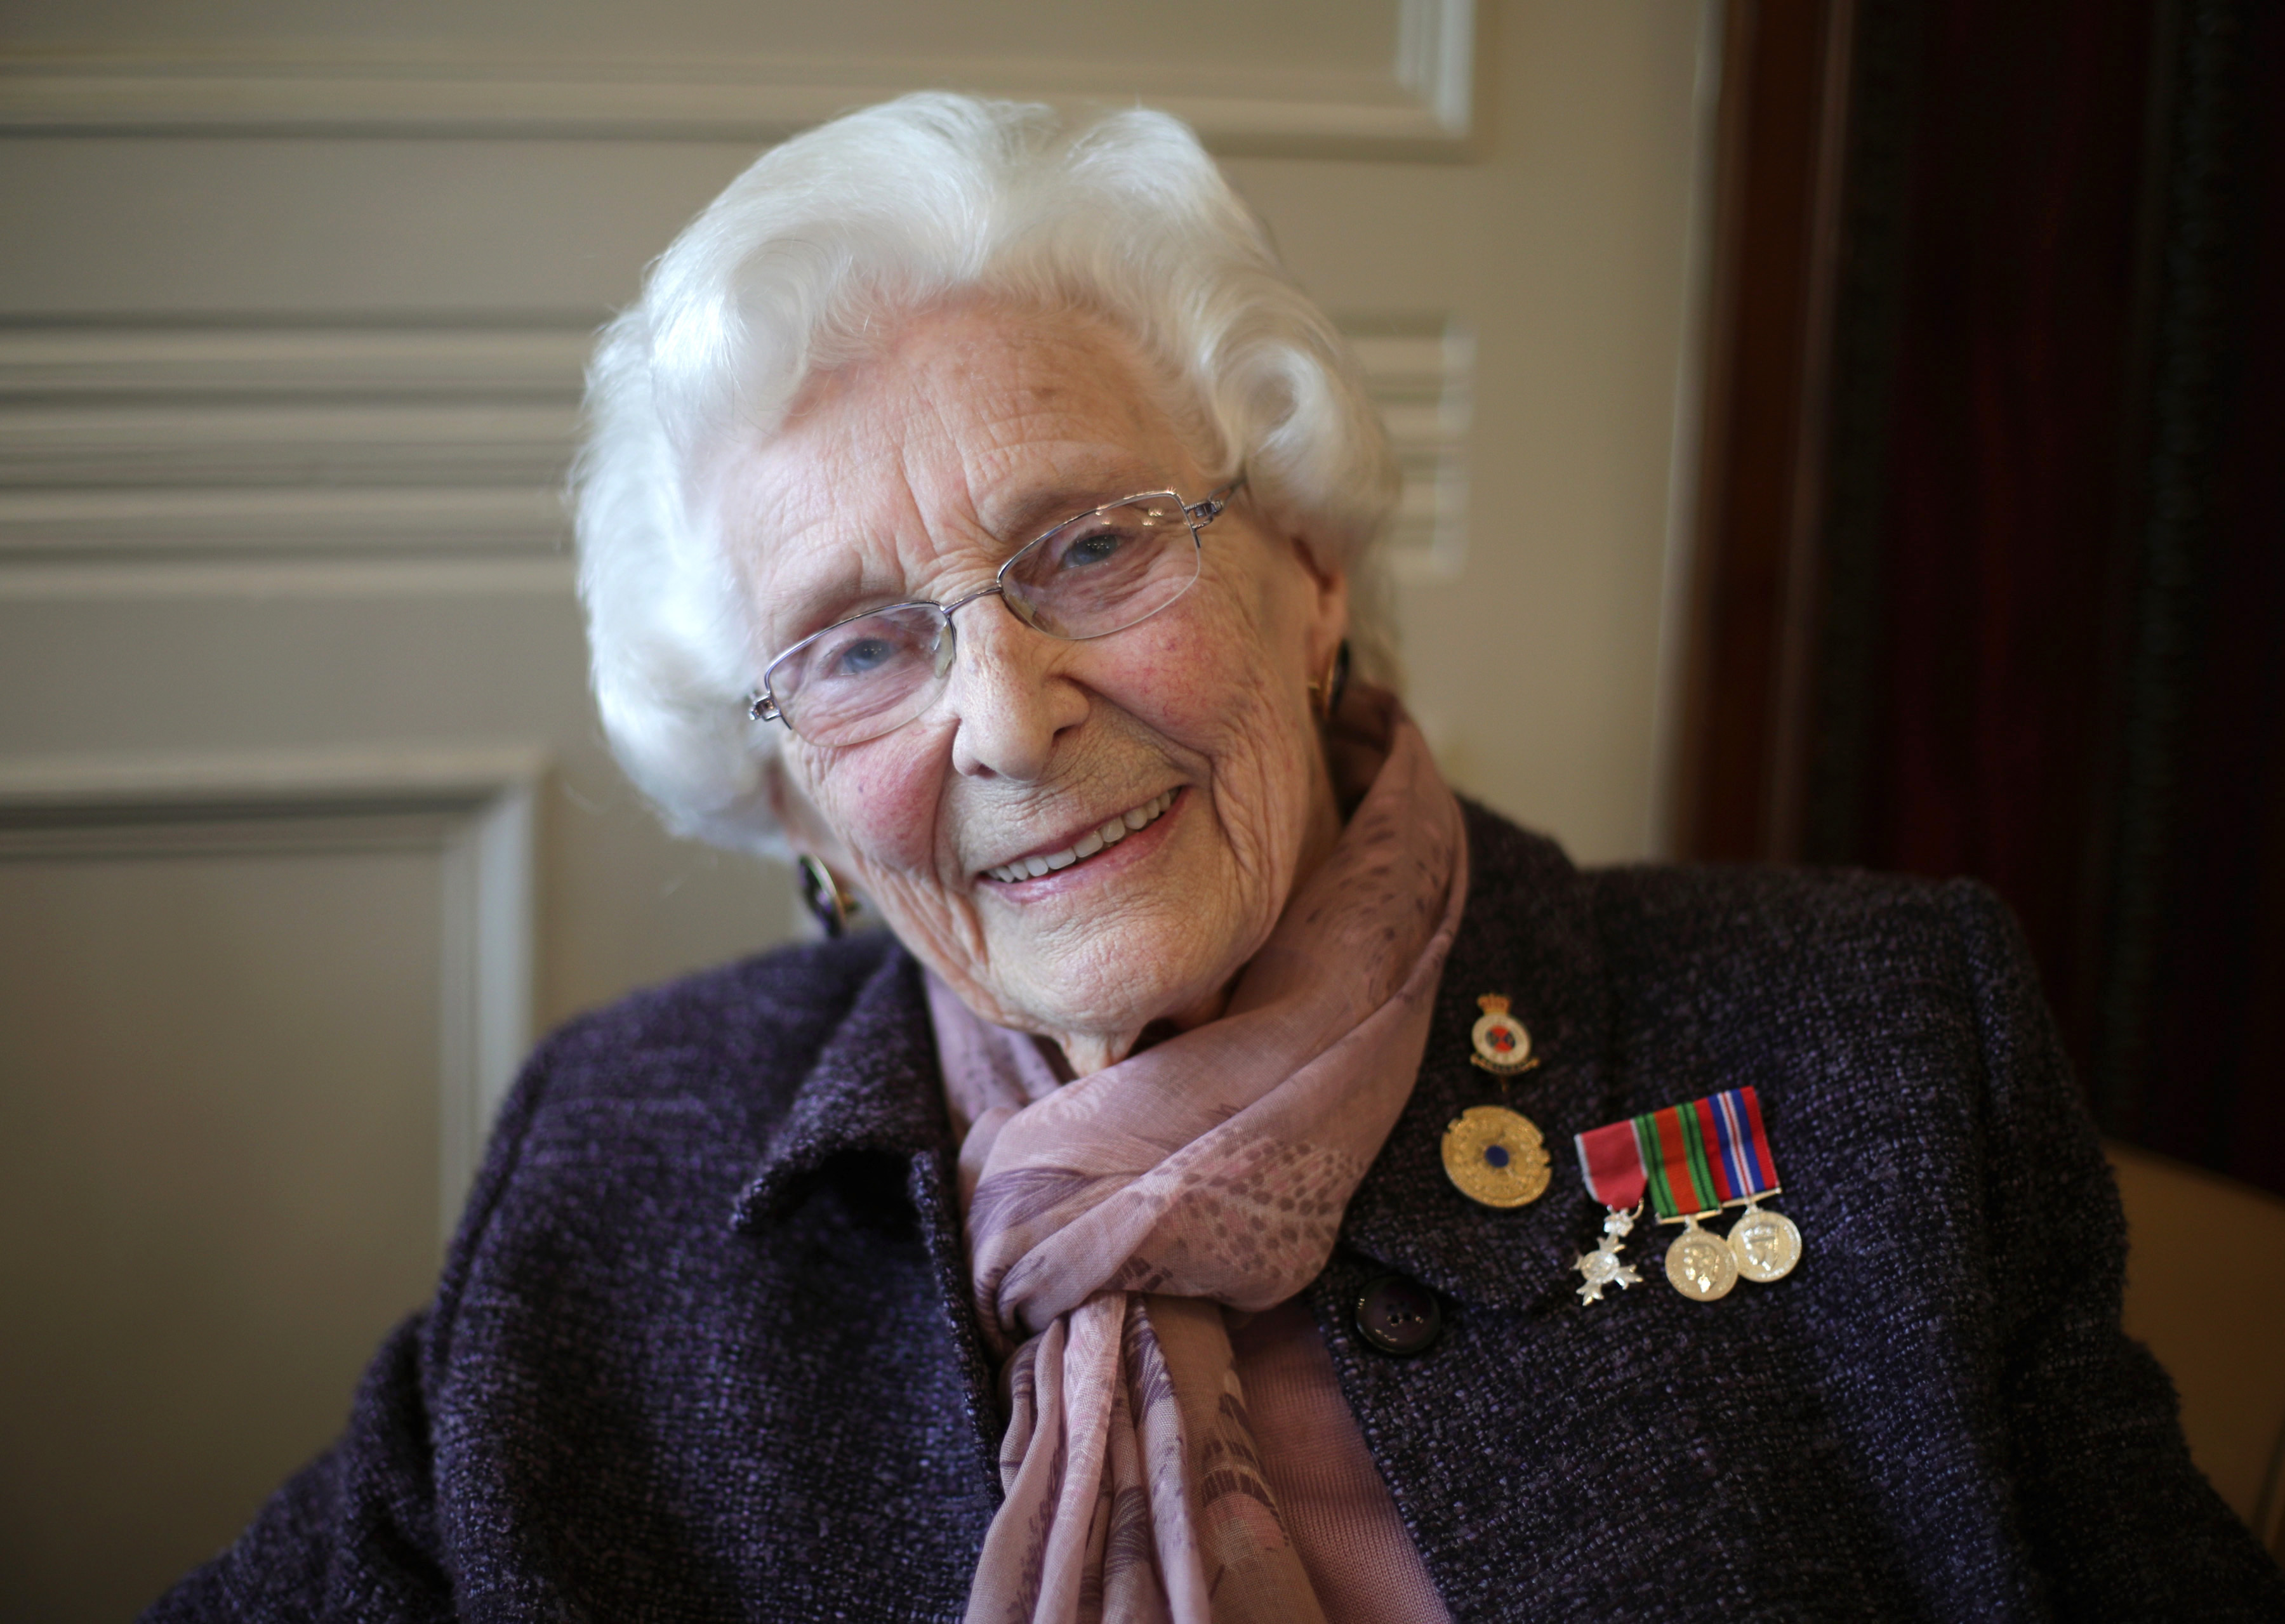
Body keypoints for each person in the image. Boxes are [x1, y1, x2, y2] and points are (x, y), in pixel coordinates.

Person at [149, 93, 2284, 1623]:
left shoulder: (1876, 1047)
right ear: (793, 796)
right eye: (863, 650)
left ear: (1313, 571)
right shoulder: (613, 1163)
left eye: (1087, 546)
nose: (1002, 717)